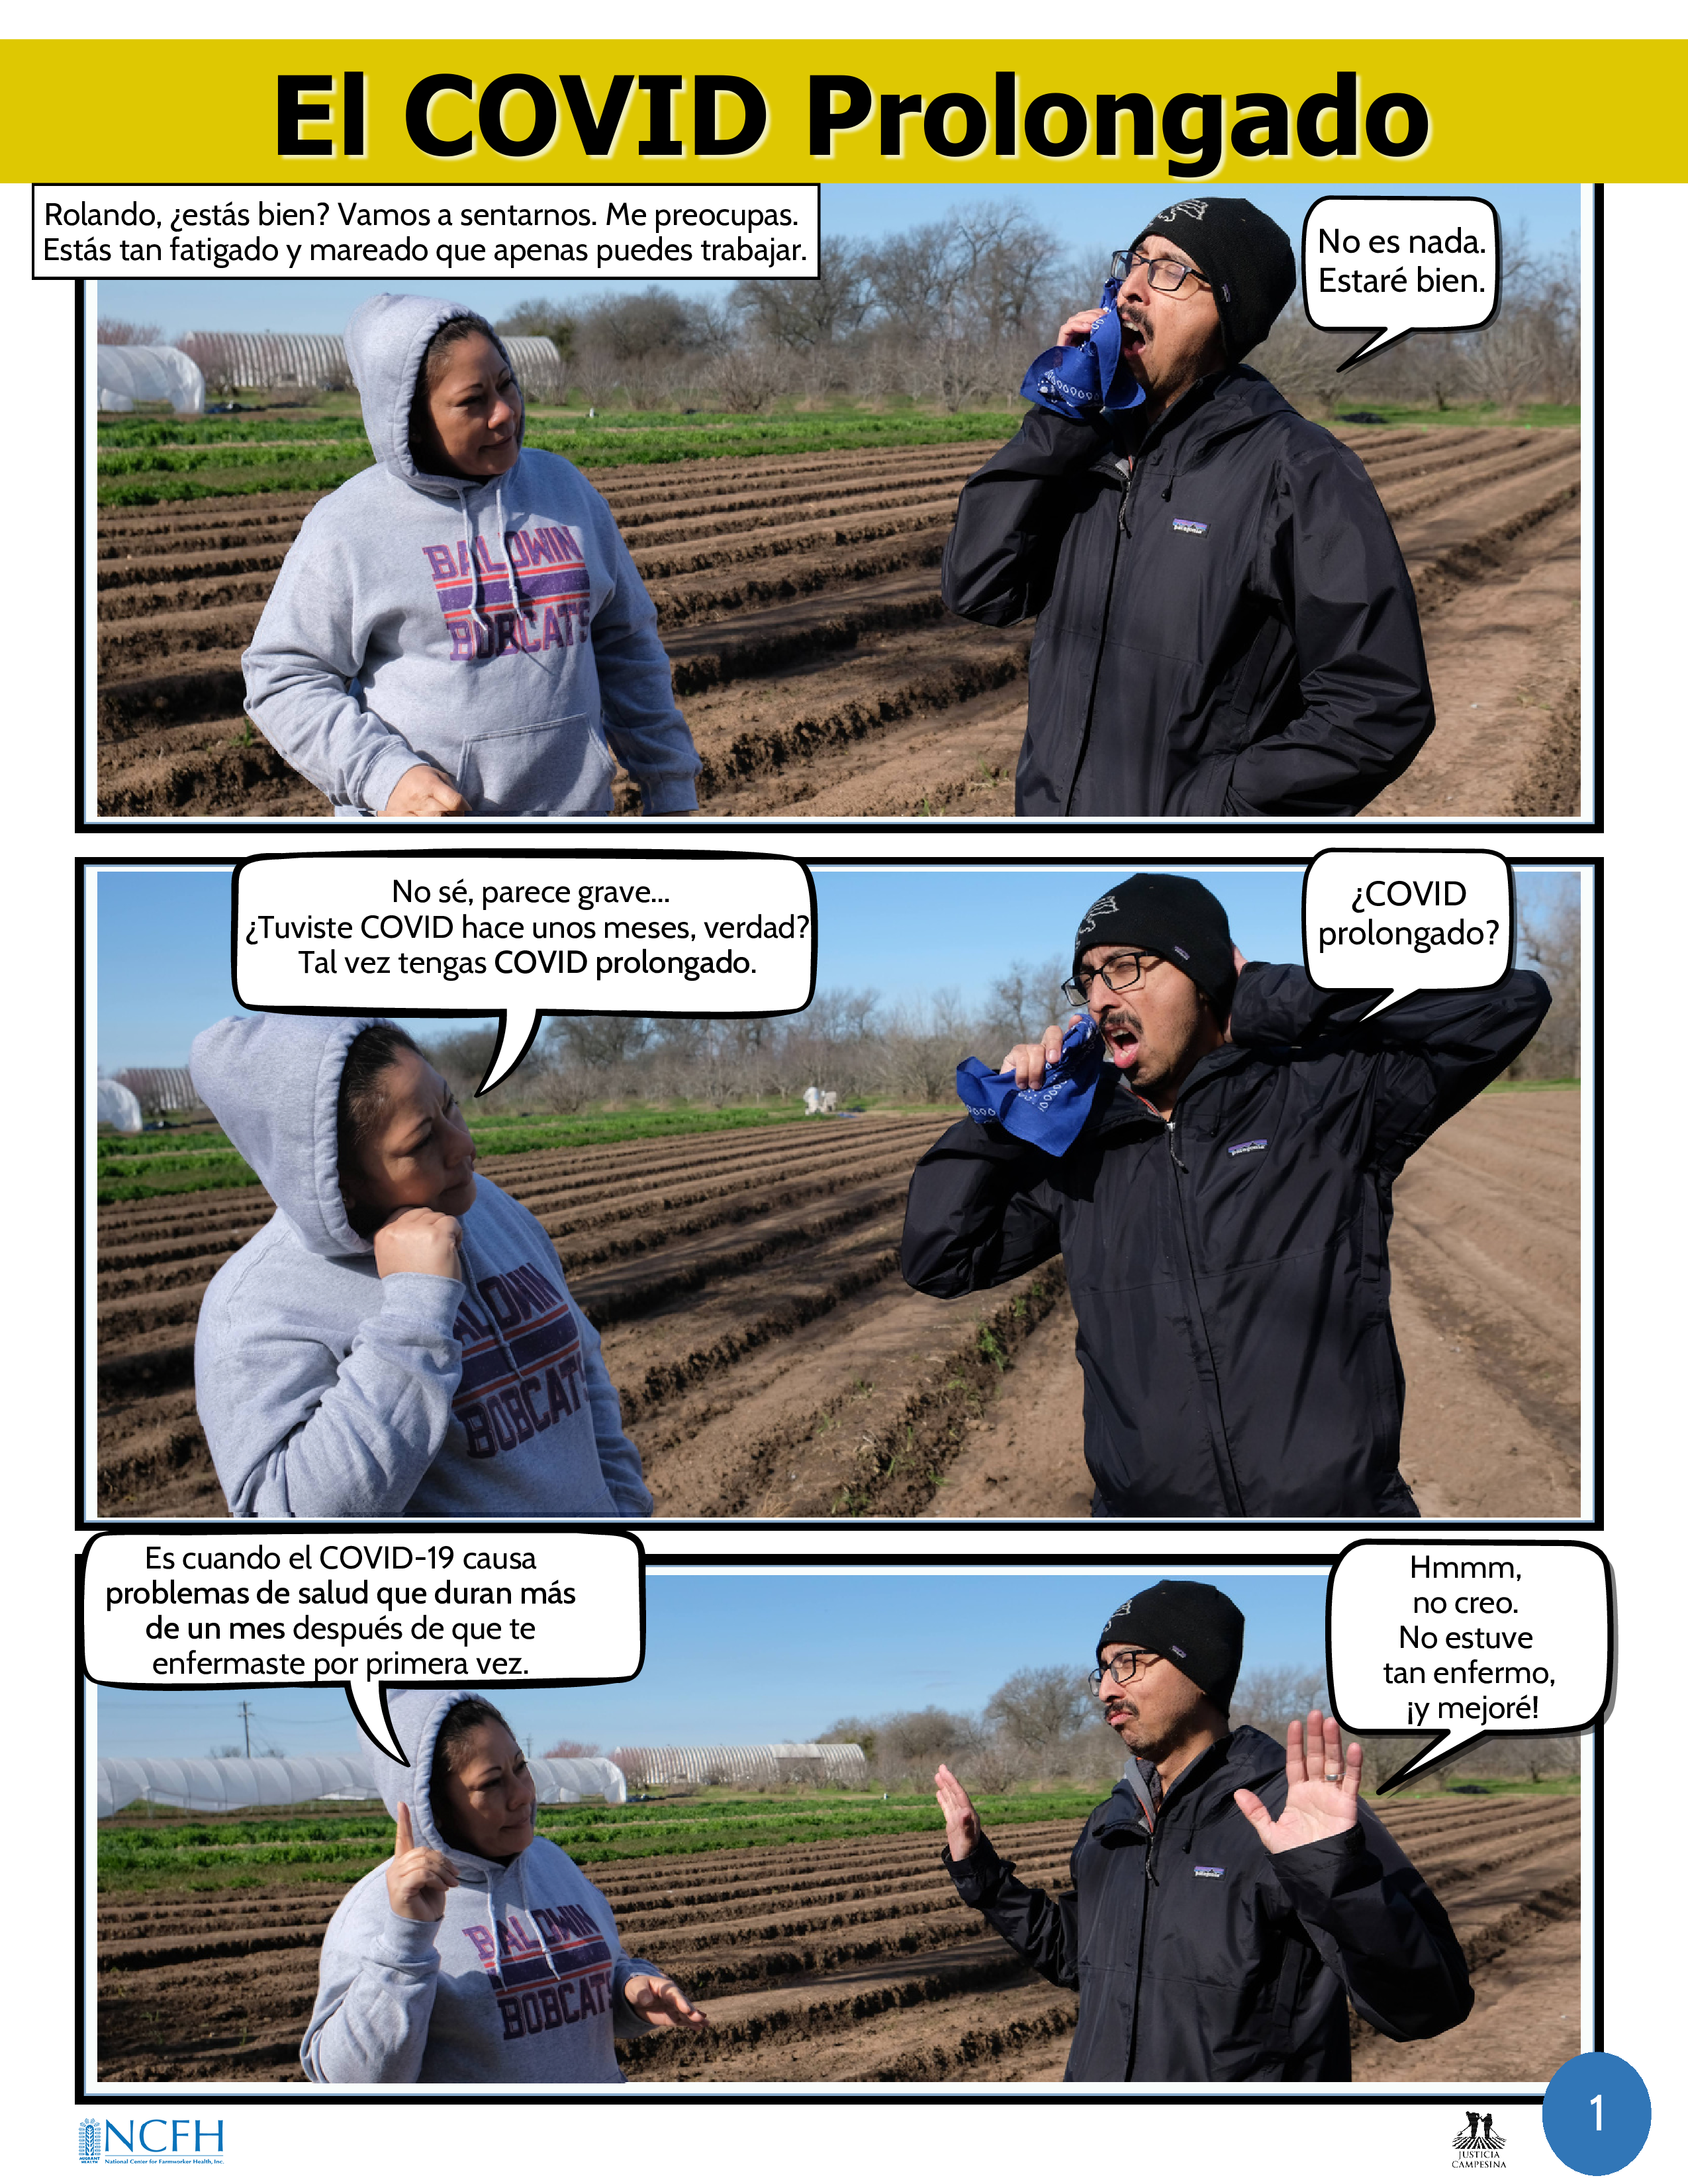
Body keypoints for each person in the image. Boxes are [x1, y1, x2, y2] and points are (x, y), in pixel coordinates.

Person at [900, 872, 1551, 1518]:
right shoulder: (1087, 1151)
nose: (1099, 999)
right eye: (1088, 979)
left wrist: (1268, 998)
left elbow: (1502, 1004)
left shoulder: (1324, 1100)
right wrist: (1009, 1113)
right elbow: (941, 1256)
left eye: (1125, 967)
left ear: (1205, 975)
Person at [941, 197, 1434, 817]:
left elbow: (1379, 706)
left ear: (1228, 317)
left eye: (1172, 271)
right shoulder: (1088, 448)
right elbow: (978, 587)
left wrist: (1211, 809)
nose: (1134, 290)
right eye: (1136, 262)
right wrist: (1064, 411)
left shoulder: (1299, 470)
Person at [933, 1582, 1473, 2082]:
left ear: (1202, 1671)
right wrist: (981, 1872)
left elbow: (1431, 2004)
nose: (1105, 1691)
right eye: (1102, 1670)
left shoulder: (1293, 1817)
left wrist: (1332, 1875)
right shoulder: (1113, 1822)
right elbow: (1080, 1958)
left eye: (1129, 1662)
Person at [242, 293, 701, 817]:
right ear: (410, 421)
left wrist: (670, 789)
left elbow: (627, 647)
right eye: (473, 400)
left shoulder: (566, 492)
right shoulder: (348, 527)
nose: (504, 412)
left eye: (506, 384)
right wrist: (384, 775)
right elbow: (283, 675)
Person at [189, 1013, 652, 1519]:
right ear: (332, 1180)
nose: (465, 1146)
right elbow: (283, 1516)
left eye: (451, 1105)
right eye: (421, 1142)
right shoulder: (257, 1308)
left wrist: (622, 1506)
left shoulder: (493, 1210)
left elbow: (582, 1366)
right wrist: (415, 1311)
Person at [304, 1690, 705, 2081]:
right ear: (434, 1807)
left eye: (519, 1767)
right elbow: (348, 2080)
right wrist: (404, 1945)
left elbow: (600, 1979)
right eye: (492, 1783)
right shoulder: (380, 1910)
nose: (522, 1796)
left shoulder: (553, 1865)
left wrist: (629, 1990)